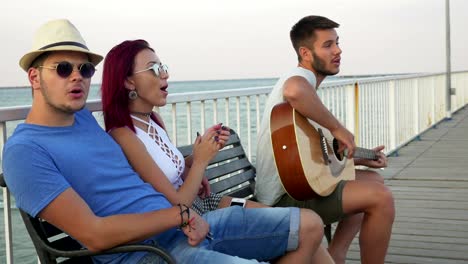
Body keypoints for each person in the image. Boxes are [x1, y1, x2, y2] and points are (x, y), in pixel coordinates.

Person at [2, 19, 330, 264]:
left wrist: (188, 179)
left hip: (184, 225)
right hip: (146, 253)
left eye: (85, 69)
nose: (77, 77)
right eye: (62, 68)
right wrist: (182, 215)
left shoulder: (84, 119)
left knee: (310, 226)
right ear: (34, 77)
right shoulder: (24, 151)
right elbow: (94, 234)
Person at [99, 39, 334, 263]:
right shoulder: (124, 135)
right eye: (154, 69)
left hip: (206, 203)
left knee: (301, 228)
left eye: (163, 67)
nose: (165, 74)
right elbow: (178, 202)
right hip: (187, 219)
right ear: (128, 81)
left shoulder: (153, 121)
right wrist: (201, 161)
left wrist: (198, 155)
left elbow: (172, 171)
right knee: (301, 231)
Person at [255, 15, 395, 264]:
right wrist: (338, 128)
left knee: (373, 180)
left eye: (337, 43)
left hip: (298, 186)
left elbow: (314, 156)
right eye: (328, 45)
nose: (338, 50)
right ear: (305, 53)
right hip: (283, 197)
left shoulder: (307, 92)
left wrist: (359, 158)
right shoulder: (300, 77)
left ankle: (336, 254)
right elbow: (294, 91)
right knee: (381, 198)